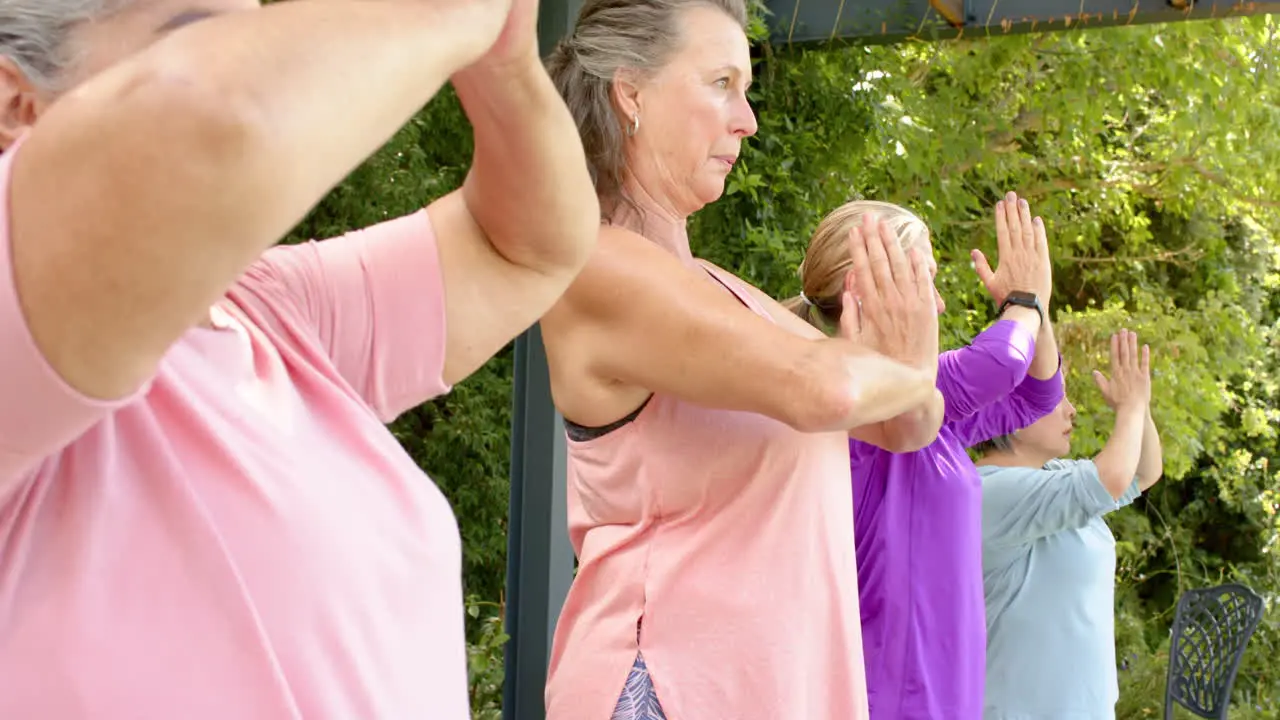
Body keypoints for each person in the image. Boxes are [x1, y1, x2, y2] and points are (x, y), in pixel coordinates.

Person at [0, 0, 599, 717]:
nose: (261, 56)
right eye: (198, 39)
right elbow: (213, 123)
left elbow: (529, 245)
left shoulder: (268, 310)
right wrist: (451, 11)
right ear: (19, 106)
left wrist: (501, 62)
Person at [538, 1, 950, 718]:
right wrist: (901, 367)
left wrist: (900, 374)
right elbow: (829, 391)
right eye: (722, 82)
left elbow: (906, 425)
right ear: (630, 94)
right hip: (664, 686)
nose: (747, 120)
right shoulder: (597, 268)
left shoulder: (727, 295)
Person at [786, 195, 1063, 719]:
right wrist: (1026, 301)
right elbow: (1001, 363)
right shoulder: (855, 397)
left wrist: (1035, 310)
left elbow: (1035, 395)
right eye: (924, 279)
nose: (937, 302)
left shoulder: (920, 405)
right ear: (862, 289)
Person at [975, 329, 1165, 720]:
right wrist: (1128, 411)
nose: (1070, 409)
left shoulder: (1051, 476)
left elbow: (1143, 472)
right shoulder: (989, 490)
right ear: (1008, 409)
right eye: (1054, 397)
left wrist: (1138, 405)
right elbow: (1109, 478)